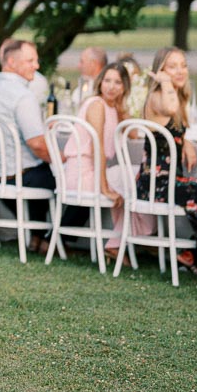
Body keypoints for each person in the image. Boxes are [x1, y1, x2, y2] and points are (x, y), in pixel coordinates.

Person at [0, 38, 55, 250]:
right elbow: (36, 143)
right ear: (11, 61)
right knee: (72, 176)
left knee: (43, 169)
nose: (36, 66)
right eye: (30, 60)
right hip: (20, 177)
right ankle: (53, 238)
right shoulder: (23, 96)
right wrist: (60, 160)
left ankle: (38, 236)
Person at [62, 61, 149, 259]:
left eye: (118, 83)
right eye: (107, 81)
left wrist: (122, 107)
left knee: (137, 175)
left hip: (93, 171)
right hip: (82, 174)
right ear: (100, 82)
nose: (111, 86)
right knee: (138, 175)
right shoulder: (97, 105)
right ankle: (127, 239)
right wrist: (104, 187)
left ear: (125, 87)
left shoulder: (112, 108)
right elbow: (97, 147)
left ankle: (119, 241)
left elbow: (134, 134)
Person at [141, 47, 197, 278]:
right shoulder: (159, 96)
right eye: (172, 66)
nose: (180, 71)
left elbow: (173, 130)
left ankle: (196, 255)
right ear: (160, 70)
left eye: (183, 65)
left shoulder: (176, 97)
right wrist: (166, 83)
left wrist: (186, 142)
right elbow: (169, 109)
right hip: (156, 183)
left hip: (171, 181)